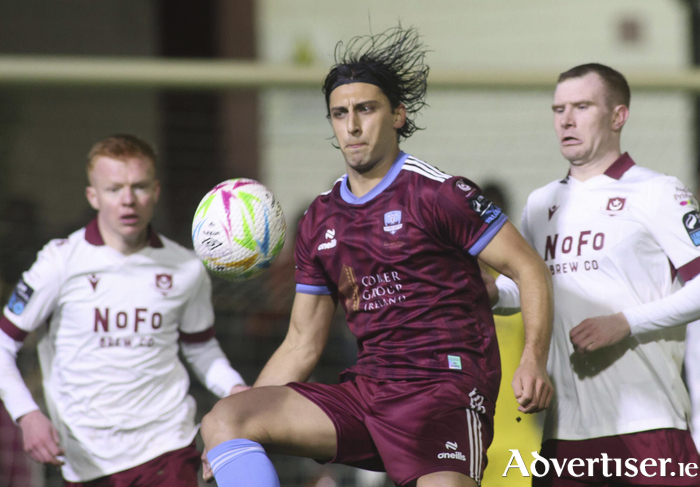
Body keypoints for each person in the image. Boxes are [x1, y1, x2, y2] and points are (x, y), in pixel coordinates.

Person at [201, 26, 554, 487]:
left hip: (441, 394)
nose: (352, 125)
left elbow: (530, 268)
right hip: (366, 393)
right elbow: (301, 343)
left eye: (365, 109)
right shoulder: (320, 219)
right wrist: (228, 450)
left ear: (398, 115)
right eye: (339, 113)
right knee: (225, 420)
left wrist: (533, 359)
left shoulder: (439, 194)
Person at [493, 64, 700, 485]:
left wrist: (625, 322)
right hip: (564, 433)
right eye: (558, 109)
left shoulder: (659, 192)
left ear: (618, 116)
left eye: (582, 106)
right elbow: (530, 288)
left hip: (648, 426)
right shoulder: (541, 203)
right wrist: (484, 291)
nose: (566, 120)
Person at [0, 134, 248, 486]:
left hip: (168, 447)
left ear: (156, 191)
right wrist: (27, 415)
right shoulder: (59, 262)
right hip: (86, 458)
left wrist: (235, 390)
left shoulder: (186, 267)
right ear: (93, 196)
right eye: (114, 189)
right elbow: (2, 345)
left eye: (139, 186)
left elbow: (201, 347)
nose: (128, 200)